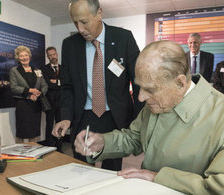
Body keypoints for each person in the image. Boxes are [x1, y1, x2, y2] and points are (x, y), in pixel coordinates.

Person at [74, 40, 224, 194]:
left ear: (179, 82)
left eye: (150, 89)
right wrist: (102, 142)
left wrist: (158, 177)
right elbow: (135, 137)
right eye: (140, 87)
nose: (140, 97)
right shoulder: (157, 101)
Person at [52, 0, 144, 171]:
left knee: (112, 170)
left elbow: (139, 81)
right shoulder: (70, 45)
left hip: (115, 117)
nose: (80, 29)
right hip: (84, 117)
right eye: (75, 22)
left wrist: (140, 120)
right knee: (81, 168)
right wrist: (65, 116)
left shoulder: (123, 38)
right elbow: (67, 86)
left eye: (85, 22)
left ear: (99, 13)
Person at [10, 45, 48, 143]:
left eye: (26, 55)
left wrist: (39, 94)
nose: (24, 58)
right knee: (21, 132)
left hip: (35, 105)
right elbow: (14, 87)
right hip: (23, 106)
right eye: (21, 56)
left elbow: (44, 86)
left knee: (34, 132)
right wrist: (30, 92)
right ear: (18, 58)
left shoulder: (37, 71)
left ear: (30, 56)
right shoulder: (14, 70)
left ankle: (33, 155)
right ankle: (20, 155)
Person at [40, 47, 63, 152]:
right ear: (47, 57)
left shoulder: (63, 68)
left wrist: (55, 82)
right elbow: (47, 84)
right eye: (50, 55)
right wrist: (57, 82)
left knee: (60, 124)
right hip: (49, 101)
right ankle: (49, 146)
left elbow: (66, 83)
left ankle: (59, 147)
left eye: (54, 54)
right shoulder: (44, 69)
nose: (53, 56)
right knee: (49, 124)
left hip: (61, 101)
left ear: (57, 54)